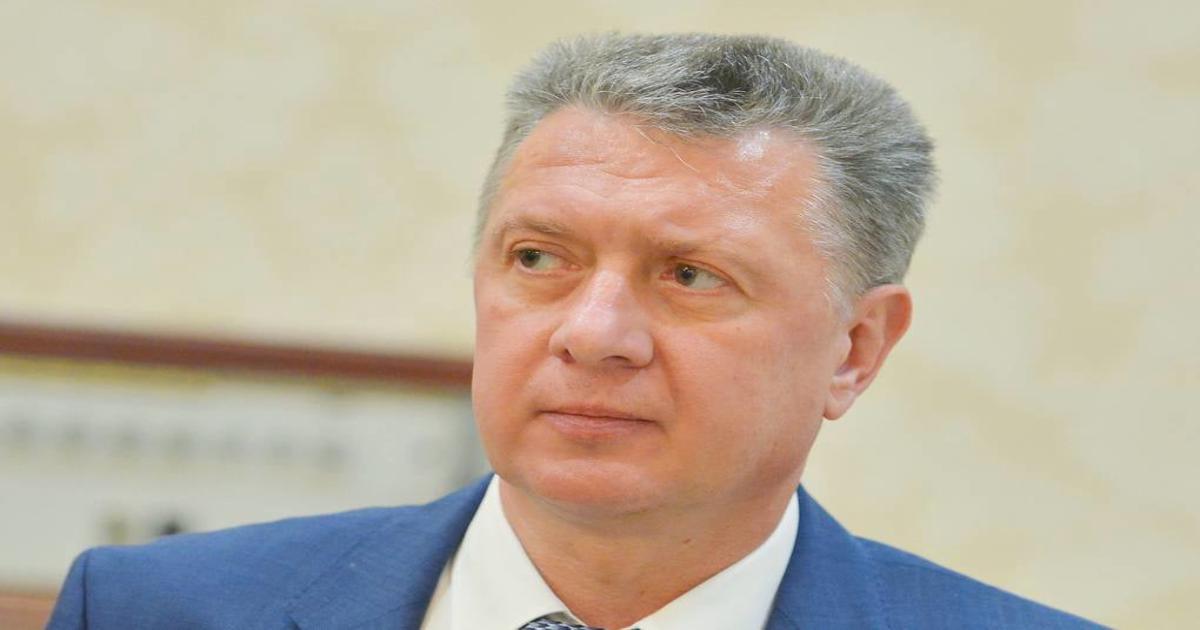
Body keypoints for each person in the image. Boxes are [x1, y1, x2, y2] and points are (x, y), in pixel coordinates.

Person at [47, 33, 1100, 629]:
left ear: (856, 350)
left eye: (690, 276)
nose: (593, 335)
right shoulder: (152, 611)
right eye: (538, 259)